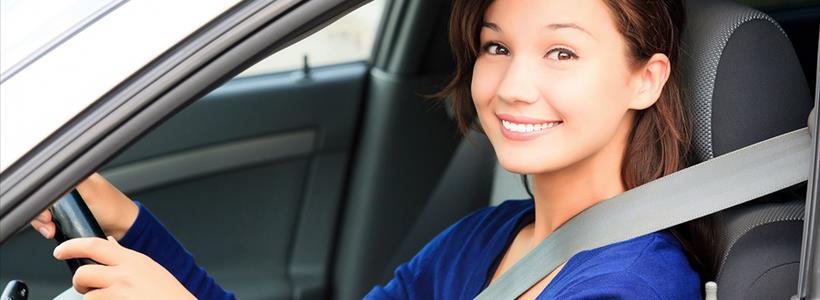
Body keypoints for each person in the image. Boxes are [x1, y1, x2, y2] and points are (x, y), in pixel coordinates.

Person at [30, 0, 718, 298]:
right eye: (496, 46)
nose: (513, 86)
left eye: (561, 51)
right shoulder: (484, 241)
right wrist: (128, 225)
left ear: (644, 78)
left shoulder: (633, 287)